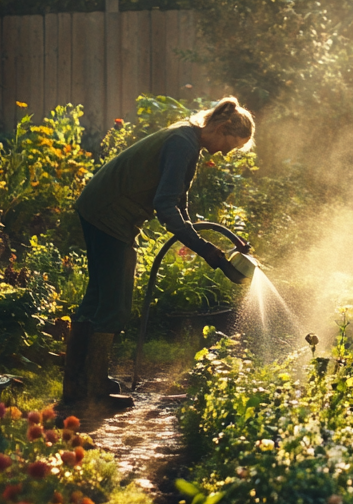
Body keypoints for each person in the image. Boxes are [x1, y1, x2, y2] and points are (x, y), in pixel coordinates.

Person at [63, 97, 255, 406]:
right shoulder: (183, 144)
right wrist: (204, 248)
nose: (223, 153)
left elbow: (178, 200)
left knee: (97, 298)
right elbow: (165, 206)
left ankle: (77, 384)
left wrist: (208, 242)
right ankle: (93, 389)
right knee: (115, 303)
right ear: (220, 128)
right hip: (110, 215)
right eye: (228, 145)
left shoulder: (187, 138)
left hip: (99, 206)